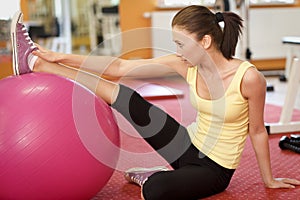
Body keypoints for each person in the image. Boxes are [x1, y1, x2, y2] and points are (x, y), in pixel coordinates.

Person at [10, 5, 300, 200]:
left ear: (207, 42)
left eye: (181, 44)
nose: (177, 51)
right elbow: (120, 68)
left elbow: (258, 131)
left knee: (157, 191)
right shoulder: (185, 63)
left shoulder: (249, 78)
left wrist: (269, 178)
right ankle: (36, 63)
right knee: (128, 98)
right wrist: (57, 56)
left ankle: (151, 176)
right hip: (186, 144)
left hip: (214, 170)